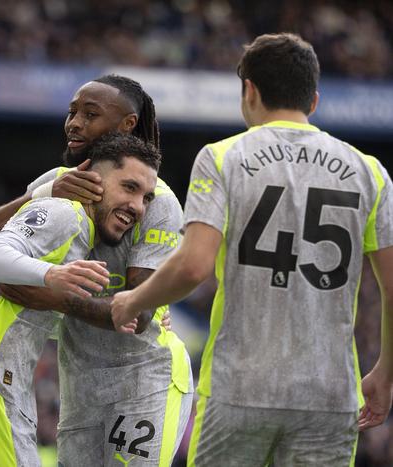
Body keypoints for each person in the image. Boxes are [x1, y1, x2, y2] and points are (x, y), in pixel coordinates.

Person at [111, 33, 393, 466]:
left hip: (239, 388)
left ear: (249, 91)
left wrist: (132, 301)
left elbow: (193, 267)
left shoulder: (222, 157)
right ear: (313, 100)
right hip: (329, 394)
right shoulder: (369, 171)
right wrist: (386, 373)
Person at [0, 75, 193, 466]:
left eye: (90, 114)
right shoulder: (58, 181)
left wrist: (51, 296)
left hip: (144, 377)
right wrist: (42, 193)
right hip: (80, 383)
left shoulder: (156, 202)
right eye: (72, 112)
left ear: (127, 125)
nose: (74, 123)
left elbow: (135, 315)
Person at [0, 133, 161, 466]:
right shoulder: (65, 213)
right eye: (129, 187)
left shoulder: (81, 235)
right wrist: (51, 275)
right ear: (93, 180)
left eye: (146, 197)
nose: (138, 207)